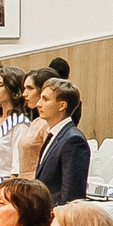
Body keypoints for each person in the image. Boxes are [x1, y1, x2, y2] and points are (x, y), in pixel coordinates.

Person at [35, 78, 90, 206]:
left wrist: (60, 216)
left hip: (58, 213)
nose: (38, 104)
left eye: (45, 99)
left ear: (62, 106)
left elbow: (72, 193)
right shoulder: (53, 135)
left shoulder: (73, 140)